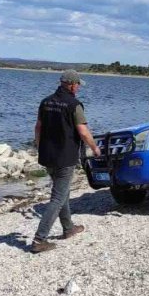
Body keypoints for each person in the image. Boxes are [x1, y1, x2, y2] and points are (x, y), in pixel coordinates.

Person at [31, 70, 101, 253]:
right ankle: (40, 239)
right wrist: (94, 148)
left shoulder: (45, 102)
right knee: (58, 197)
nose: (78, 87)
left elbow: (38, 127)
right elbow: (83, 132)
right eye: (77, 84)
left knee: (62, 192)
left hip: (47, 156)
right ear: (71, 85)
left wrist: (39, 146)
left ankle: (68, 228)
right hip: (65, 157)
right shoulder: (74, 105)